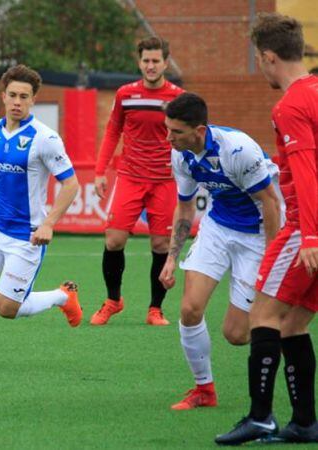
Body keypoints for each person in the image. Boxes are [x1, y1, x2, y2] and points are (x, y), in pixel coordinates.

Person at [216, 13, 318, 445]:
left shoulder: (291, 104)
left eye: (260, 59)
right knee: (293, 325)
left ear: (270, 56)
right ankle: (306, 422)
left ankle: (260, 417)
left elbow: (307, 170)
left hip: (304, 227)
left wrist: (311, 235)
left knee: (261, 317)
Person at [158, 93, 281, 411]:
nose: (168, 137)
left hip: (256, 234)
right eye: (167, 129)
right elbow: (185, 208)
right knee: (189, 310)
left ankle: (285, 327)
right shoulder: (180, 154)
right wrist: (172, 257)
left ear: (199, 131)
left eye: (176, 131)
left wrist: (272, 257)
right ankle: (204, 390)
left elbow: (270, 201)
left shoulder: (237, 149)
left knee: (237, 334)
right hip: (217, 226)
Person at [0, 65, 82, 371]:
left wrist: (49, 223)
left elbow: (71, 184)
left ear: (33, 100)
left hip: (26, 235)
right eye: (12, 95)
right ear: (3, 96)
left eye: (24, 97)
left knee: (6, 308)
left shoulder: (45, 138)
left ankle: (62, 297)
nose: (17, 102)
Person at [92, 37, 185, 326]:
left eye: (156, 60)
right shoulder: (125, 94)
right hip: (130, 176)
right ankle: (113, 300)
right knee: (114, 239)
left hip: (165, 181)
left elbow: (188, 136)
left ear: (165, 63)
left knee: (160, 245)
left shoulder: (178, 98)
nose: (151, 65)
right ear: (139, 62)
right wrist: (99, 172)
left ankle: (155, 309)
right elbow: (112, 132)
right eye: (146, 60)